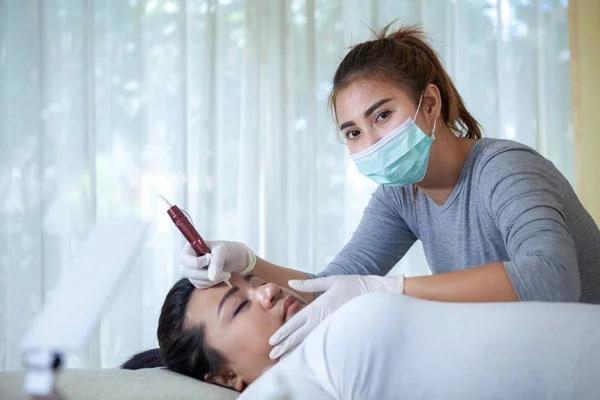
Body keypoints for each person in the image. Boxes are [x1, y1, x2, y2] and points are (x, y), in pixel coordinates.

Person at [179, 24, 600, 361]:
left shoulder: (504, 168)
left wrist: (388, 289)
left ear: (430, 103)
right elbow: (332, 286)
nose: (372, 141)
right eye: (353, 132)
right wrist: (246, 262)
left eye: (382, 114)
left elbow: (552, 278)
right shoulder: (402, 196)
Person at [123, 274, 600, 399]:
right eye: (242, 304)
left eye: (252, 282)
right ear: (226, 377)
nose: (267, 289)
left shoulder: (319, 336)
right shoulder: (281, 388)